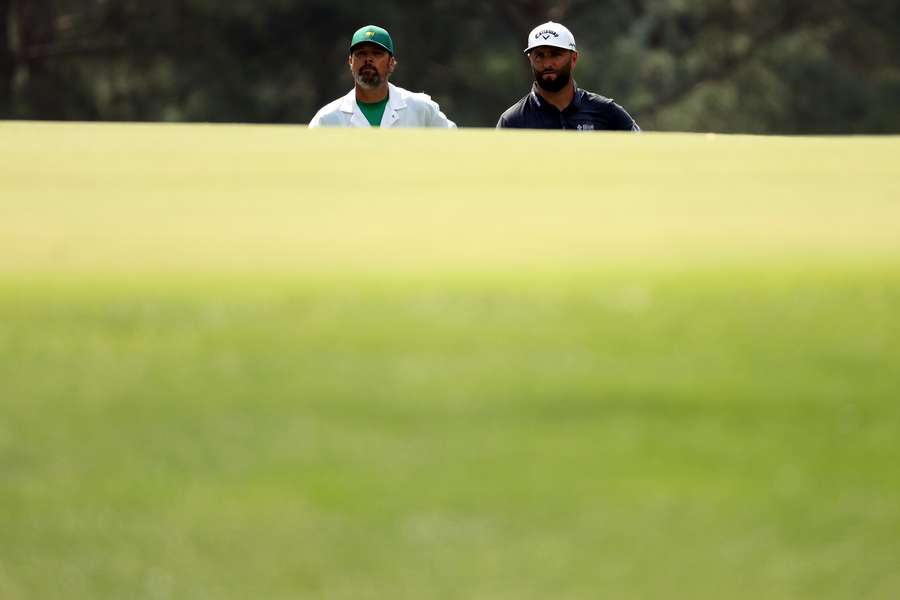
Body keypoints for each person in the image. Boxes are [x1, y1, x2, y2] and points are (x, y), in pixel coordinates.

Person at [497, 22, 639, 131]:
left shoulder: (607, 112)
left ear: (574, 58)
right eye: (539, 56)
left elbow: (643, 154)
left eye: (555, 54)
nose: (547, 64)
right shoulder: (512, 121)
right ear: (530, 60)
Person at [309, 25, 456, 128]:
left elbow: (456, 145)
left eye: (377, 53)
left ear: (391, 63)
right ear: (350, 62)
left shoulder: (421, 108)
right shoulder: (327, 119)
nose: (368, 59)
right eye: (361, 54)